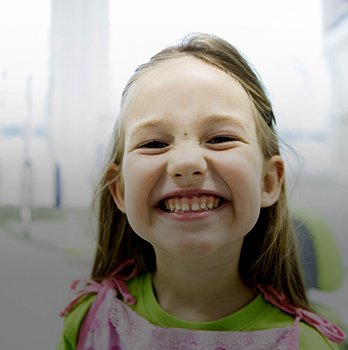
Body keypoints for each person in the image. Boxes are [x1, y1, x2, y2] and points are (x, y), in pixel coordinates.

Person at [57, 33, 345, 350]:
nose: (187, 162)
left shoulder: (309, 345)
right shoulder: (89, 324)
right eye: (154, 143)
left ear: (268, 182)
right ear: (121, 190)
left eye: (220, 138)